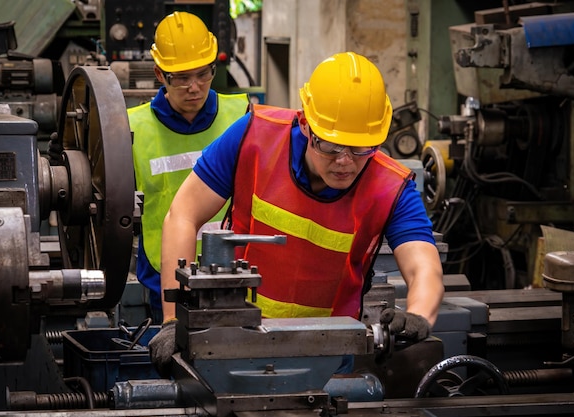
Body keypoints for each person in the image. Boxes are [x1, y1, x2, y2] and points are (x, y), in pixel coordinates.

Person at [149, 51, 444, 375]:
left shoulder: (389, 186)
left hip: (329, 360)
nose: (344, 161)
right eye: (330, 146)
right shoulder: (254, 137)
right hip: (227, 343)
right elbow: (182, 215)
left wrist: (418, 314)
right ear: (305, 123)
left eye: (360, 148)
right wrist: (173, 320)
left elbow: (423, 267)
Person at [129, 11, 249, 324]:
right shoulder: (132, 129)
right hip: (165, 280)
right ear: (159, 74)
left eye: (203, 74)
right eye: (181, 78)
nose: (194, 87)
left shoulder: (242, 116)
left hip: (235, 276)